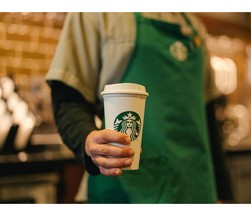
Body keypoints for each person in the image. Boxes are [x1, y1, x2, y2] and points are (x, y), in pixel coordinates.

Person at [46, 12, 231, 203]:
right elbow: (68, 98)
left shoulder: (194, 26)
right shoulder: (95, 13)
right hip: (127, 191)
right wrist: (87, 140)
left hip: (195, 189)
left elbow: (207, 116)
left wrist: (225, 194)